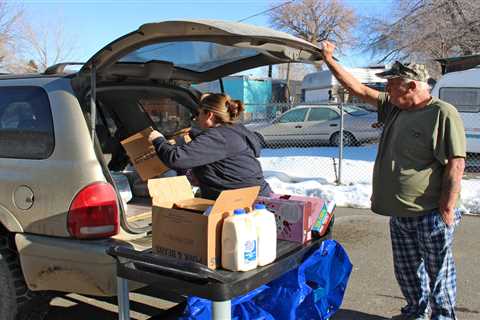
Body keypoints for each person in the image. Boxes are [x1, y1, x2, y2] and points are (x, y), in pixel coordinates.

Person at [321, 41, 466, 320]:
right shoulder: (395, 108)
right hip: (399, 213)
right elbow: (358, 89)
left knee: (439, 273)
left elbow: (456, 164)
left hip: (430, 214)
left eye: (392, 83)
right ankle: (416, 312)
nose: (386, 88)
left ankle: (444, 317)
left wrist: (447, 209)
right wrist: (329, 60)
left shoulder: (442, 113)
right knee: (407, 270)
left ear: (412, 86)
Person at [147, 92, 272, 200]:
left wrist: (158, 140)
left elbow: (176, 158)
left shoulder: (218, 137)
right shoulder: (234, 131)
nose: (196, 118)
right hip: (256, 197)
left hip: (243, 204)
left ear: (209, 115)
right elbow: (223, 165)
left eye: (199, 113)